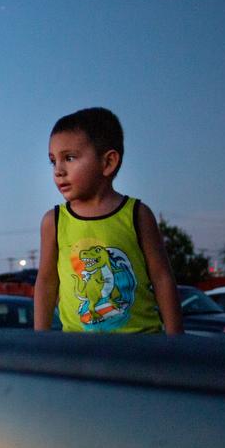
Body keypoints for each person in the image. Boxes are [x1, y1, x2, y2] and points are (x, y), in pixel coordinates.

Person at [33, 107, 183, 334]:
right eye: (53, 161)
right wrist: (40, 341)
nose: (58, 171)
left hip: (141, 344)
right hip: (77, 348)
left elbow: (162, 278)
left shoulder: (137, 214)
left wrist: (175, 338)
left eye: (69, 158)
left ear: (108, 163)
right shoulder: (53, 221)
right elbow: (46, 283)